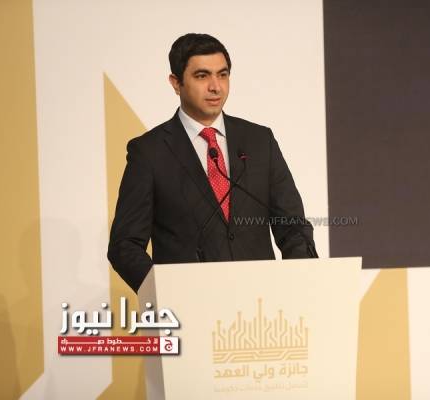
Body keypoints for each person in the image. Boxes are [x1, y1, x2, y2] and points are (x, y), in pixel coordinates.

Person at [108, 33, 316, 292]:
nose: (216, 86)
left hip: (262, 301)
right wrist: (165, 292)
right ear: (176, 83)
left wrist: (301, 283)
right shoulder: (149, 152)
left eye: (223, 74)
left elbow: (292, 226)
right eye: (202, 76)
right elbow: (125, 245)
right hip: (189, 304)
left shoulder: (260, 141)